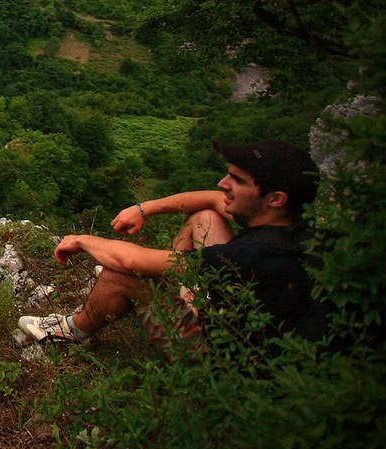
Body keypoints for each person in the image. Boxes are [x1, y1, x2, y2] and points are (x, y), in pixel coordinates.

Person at [19, 139, 323, 346]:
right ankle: (187, 292)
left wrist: (82, 240)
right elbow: (212, 199)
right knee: (205, 216)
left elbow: (130, 261)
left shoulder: (255, 254)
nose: (223, 184)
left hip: (221, 358)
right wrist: (144, 208)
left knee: (120, 275)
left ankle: (71, 332)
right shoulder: (291, 226)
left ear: (275, 199)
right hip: (245, 321)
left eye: (238, 181)